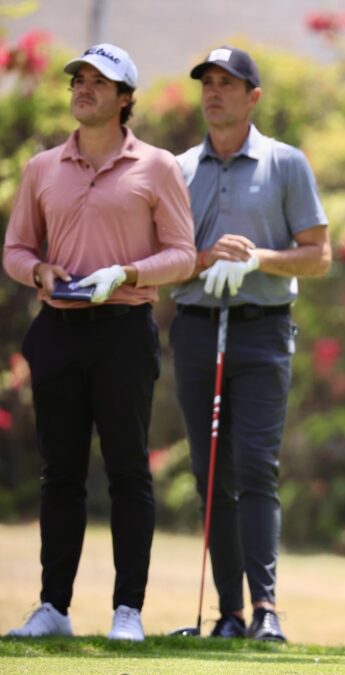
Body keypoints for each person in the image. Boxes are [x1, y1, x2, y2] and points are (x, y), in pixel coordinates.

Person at [2, 43, 196, 641]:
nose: (83, 88)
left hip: (122, 332)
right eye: (78, 80)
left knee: (127, 471)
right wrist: (38, 272)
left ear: (125, 98)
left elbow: (183, 255)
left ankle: (127, 612)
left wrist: (130, 272)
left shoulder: (157, 166)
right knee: (59, 474)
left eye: (98, 81)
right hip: (57, 331)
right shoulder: (42, 168)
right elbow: (15, 250)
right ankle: (53, 608)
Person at [170, 45, 330, 642]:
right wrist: (203, 261)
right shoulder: (179, 169)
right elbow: (165, 259)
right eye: (207, 83)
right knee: (212, 472)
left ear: (252, 96)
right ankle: (229, 615)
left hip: (263, 329)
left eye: (227, 83)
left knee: (256, 468)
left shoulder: (285, 163)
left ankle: (265, 610)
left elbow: (319, 256)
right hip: (195, 328)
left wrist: (256, 259)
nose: (214, 92)